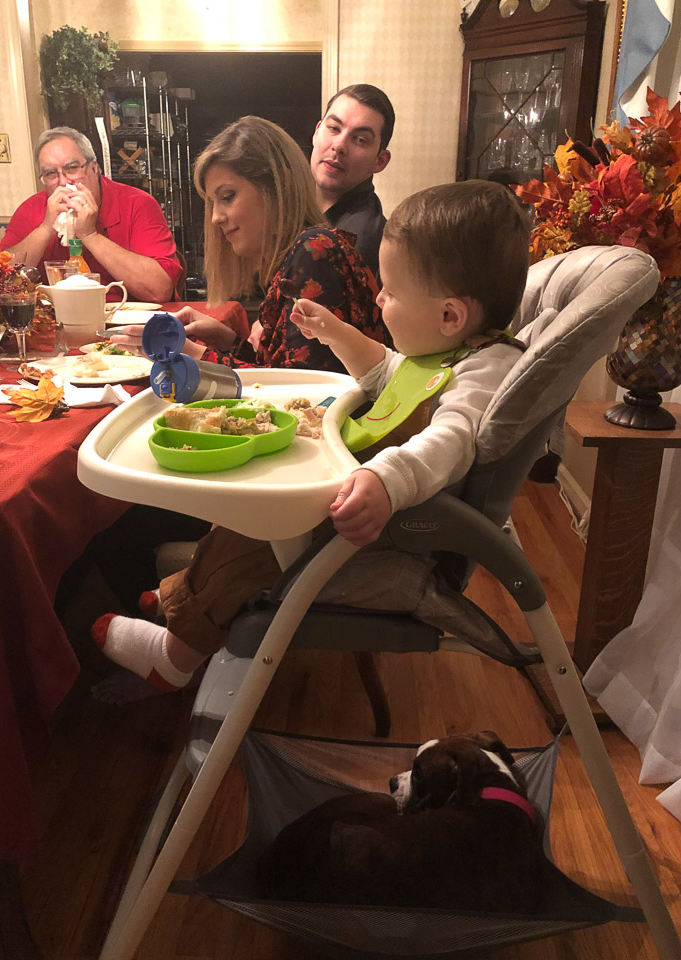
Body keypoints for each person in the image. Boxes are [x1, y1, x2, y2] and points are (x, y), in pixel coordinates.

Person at [90, 180, 530, 702]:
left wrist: (387, 480)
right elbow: (389, 373)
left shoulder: (482, 373)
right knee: (246, 508)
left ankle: (175, 657)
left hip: (392, 527)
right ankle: (184, 596)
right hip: (363, 498)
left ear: (450, 315)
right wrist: (337, 333)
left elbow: (450, 442)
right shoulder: (447, 349)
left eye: (390, 293)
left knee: (254, 538)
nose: (379, 299)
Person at [115, 115, 388, 370]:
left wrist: (191, 353)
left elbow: (298, 393)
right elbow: (279, 370)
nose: (216, 218)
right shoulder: (295, 255)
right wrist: (228, 340)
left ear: (276, 189)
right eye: (212, 202)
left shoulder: (314, 249)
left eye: (227, 197)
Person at [1, 127, 181, 302]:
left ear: (94, 168)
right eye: (50, 174)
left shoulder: (137, 204)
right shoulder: (30, 209)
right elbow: (0, 282)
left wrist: (89, 235)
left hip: (126, 318)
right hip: (52, 318)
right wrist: (46, 228)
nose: (63, 182)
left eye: (72, 168)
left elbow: (159, 291)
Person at [311, 84, 395, 281]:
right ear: (317, 132)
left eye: (360, 140)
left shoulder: (358, 242)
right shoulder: (290, 206)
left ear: (379, 161)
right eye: (334, 128)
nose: (339, 145)